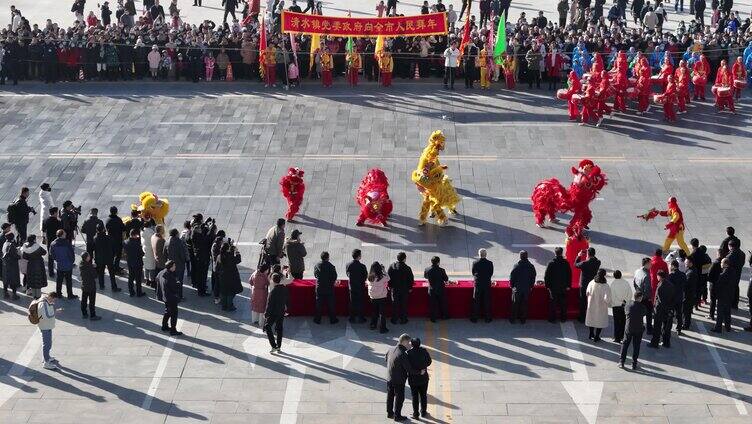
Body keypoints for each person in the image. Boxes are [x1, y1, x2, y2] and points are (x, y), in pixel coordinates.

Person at [386, 334, 422, 421]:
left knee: (390, 396)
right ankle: (397, 416)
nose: (410, 345)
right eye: (409, 343)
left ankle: (390, 413)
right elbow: (409, 369)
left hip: (389, 377)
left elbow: (386, 359)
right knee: (400, 398)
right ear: (405, 342)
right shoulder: (403, 354)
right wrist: (420, 372)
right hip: (399, 380)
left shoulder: (390, 349)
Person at [648, 270, 676, 348]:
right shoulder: (671, 285)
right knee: (666, 328)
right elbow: (673, 298)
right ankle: (666, 343)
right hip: (669, 310)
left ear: (659, 276)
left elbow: (660, 300)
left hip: (660, 310)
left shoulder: (660, 286)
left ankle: (654, 343)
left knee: (657, 327)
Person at [620, 291, 646, 370]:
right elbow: (644, 313)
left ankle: (621, 362)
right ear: (640, 298)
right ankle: (634, 364)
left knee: (625, 344)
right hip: (638, 329)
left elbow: (625, 311)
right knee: (636, 346)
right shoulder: (643, 307)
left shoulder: (628, 305)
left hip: (629, 328)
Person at [544, 247, 572, 323]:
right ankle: (563, 318)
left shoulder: (551, 263)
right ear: (562, 253)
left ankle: (552, 319)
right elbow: (569, 274)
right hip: (563, 287)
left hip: (553, 288)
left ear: (555, 253)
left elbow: (546, 276)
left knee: (553, 304)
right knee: (563, 304)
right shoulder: (566, 263)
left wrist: (547, 286)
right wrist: (568, 286)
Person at [407, 338, 432, 419]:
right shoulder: (424, 351)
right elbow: (429, 361)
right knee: (423, 395)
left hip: (413, 379)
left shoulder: (409, 353)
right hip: (423, 378)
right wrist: (423, 367)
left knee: (415, 397)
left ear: (412, 344)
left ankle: (415, 414)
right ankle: (423, 412)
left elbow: (408, 366)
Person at [510, 250, 536, 324]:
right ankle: (523, 320)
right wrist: (531, 286)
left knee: (515, 304)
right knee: (524, 304)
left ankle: (513, 319)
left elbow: (512, 277)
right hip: (526, 288)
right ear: (527, 256)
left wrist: (512, 286)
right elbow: (533, 277)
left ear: (520, 257)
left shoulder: (516, 266)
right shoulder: (531, 266)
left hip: (517, 288)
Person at [388, 252, 415, 325]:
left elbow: (389, 278)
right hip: (404, 290)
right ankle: (403, 319)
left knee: (395, 304)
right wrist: (410, 288)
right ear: (404, 259)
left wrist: (390, 286)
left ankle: (394, 319)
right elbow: (411, 279)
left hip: (395, 289)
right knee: (403, 304)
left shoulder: (392, 266)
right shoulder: (407, 268)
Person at [265, 272, 289, 353]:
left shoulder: (273, 291)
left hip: (273, 313)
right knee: (279, 328)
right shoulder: (284, 289)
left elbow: (270, 304)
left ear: (273, 281)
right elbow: (287, 300)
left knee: (268, 327)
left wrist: (266, 314)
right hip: (281, 311)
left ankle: (274, 346)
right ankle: (279, 346)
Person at [585, 269, 612, 342]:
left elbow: (587, 292)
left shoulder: (592, 282)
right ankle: (597, 336)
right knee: (600, 321)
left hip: (592, 305)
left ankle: (591, 334)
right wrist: (609, 303)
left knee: (591, 320)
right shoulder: (605, 286)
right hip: (601, 306)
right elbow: (607, 298)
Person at [575, 247, 601, 322]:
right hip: (593, 284)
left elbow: (575, 264)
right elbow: (595, 260)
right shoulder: (598, 262)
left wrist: (579, 256)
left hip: (584, 285)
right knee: (592, 301)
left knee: (583, 301)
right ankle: (592, 317)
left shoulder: (584, 263)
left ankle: (582, 318)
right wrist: (589, 256)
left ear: (588, 255)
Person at [313, 251, 339, 324]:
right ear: (328, 258)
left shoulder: (317, 265)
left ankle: (317, 319)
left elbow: (315, 275)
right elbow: (334, 277)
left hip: (320, 288)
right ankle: (333, 319)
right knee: (331, 305)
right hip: (329, 288)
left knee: (319, 305)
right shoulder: (331, 266)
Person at [216, 241, 243, 311]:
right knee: (231, 292)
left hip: (222, 277)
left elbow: (217, 268)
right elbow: (238, 260)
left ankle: (224, 306)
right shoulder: (230, 256)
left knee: (223, 291)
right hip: (232, 276)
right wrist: (237, 252)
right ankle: (230, 305)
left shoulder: (219, 256)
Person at [36, 292, 60, 370]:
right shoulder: (43, 304)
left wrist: (52, 305)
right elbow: (47, 315)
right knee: (46, 344)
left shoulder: (46, 301)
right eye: (54, 299)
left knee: (49, 343)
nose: (54, 301)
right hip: (45, 326)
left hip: (47, 326)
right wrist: (55, 312)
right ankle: (46, 362)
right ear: (50, 297)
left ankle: (47, 357)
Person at [158, 260, 182, 336]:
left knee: (167, 311)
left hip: (165, 297)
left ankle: (164, 326)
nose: (175, 267)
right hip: (171, 298)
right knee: (174, 314)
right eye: (174, 266)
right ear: (171, 267)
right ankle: (173, 330)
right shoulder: (170, 277)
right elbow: (174, 288)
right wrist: (178, 284)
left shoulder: (162, 272)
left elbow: (157, 278)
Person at [49, 230, 75, 299]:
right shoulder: (67, 243)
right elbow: (71, 254)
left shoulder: (53, 243)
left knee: (59, 280)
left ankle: (58, 293)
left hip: (59, 265)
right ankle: (70, 294)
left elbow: (51, 254)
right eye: (64, 233)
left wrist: (57, 259)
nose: (66, 234)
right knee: (68, 280)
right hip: (68, 265)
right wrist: (72, 261)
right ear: (62, 235)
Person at [94, 224, 120, 292]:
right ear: (103, 229)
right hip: (109, 258)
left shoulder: (95, 238)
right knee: (111, 273)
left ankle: (101, 285)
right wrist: (113, 255)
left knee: (101, 273)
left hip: (100, 258)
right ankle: (114, 287)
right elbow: (114, 248)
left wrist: (95, 259)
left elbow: (95, 250)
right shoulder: (109, 238)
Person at [471, 249, 494, 323]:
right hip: (486, 284)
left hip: (478, 284)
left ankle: (475, 318)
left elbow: (473, 272)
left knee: (476, 301)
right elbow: (491, 273)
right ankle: (487, 318)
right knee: (486, 301)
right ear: (486, 254)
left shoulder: (475, 263)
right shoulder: (490, 263)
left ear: (479, 254)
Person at [164, 228, 189, 296]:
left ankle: (172, 294)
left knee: (171, 281)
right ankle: (179, 295)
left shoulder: (167, 242)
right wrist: (184, 261)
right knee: (179, 281)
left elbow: (164, 254)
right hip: (179, 265)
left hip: (170, 265)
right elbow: (182, 255)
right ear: (176, 234)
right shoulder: (179, 242)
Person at [711, 258, 733, 333]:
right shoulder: (732, 271)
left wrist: (716, 294)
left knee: (720, 313)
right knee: (727, 312)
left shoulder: (723, 274)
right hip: (729, 295)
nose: (721, 264)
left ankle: (718, 328)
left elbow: (718, 286)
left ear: (725, 264)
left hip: (722, 296)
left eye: (722, 262)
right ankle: (728, 327)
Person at [346, 249, 368, 323]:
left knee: (352, 303)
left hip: (352, 287)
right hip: (360, 287)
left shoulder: (348, 264)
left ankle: (352, 318)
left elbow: (347, 274)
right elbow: (365, 277)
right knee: (360, 303)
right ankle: (361, 318)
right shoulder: (362, 266)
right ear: (358, 256)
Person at [425, 256, 449, 322]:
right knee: (442, 303)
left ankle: (433, 318)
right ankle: (444, 316)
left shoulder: (427, 269)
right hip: (441, 289)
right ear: (438, 262)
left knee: (432, 304)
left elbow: (425, 276)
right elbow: (446, 279)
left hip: (432, 289)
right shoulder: (442, 270)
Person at [368, 261, 390, 333]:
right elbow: (388, 278)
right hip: (381, 297)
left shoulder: (370, 277)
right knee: (382, 313)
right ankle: (382, 328)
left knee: (374, 312)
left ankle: (373, 325)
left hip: (373, 297)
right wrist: (384, 270)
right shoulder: (382, 277)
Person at [667, 260, 687, 335]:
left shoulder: (670, 276)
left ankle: (669, 328)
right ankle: (679, 329)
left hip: (672, 298)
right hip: (679, 297)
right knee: (679, 313)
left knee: (670, 314)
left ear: (672, 266)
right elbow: (685, 285)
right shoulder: (683, 275)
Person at [79, 252, 101, 320]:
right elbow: (95, 276)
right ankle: (92, 315)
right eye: (88, 256)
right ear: (87, 258)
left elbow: (87, 267)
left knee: (84, 300)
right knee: (92, 302)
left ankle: (84, 313)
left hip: (84, 285)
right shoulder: (90, 266)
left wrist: (92, 265)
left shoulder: (81, 264)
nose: (90, 256)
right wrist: (94, 267)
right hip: (91, 286)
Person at [42, 207, 63, 278]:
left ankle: (51, 273)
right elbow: (61, 230)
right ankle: (60, 271)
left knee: (50, 257)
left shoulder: (45, 220)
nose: (57, 213)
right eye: (57, 212)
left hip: (49, 241)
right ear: (54, 213)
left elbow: (44, 230)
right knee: (59, 256)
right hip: (57, 241)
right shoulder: (58, 222)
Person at [124, 229, 145, 297]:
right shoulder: (137, 243)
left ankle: (131, 292)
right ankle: (139, 292)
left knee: (131, 277)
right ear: (134, 235)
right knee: (138, 279)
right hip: (137, 263)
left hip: (130, 262)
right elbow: (141, 254)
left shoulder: (125, 242)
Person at [725, 239, 745, 310]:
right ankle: (735, 304)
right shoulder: (742, 253)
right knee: (736, 288)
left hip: (730, 275)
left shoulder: (729, 256)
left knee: (730, 290)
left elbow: (726, 266)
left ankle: (730, 303)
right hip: (738, 273)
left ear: (730, 246)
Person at [105, 206, 125, 274]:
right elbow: (123, 228)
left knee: (112, 255)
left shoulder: (108, 220)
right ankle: (116, 267)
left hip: (111, 240)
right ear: (116, 212)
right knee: (118, 255)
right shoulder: (118, 219)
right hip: (118, 240)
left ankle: (111, 267)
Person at [2, 233, 21, 299]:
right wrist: (19, 256)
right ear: (12, 238)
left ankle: (5, 293)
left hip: (5, 264)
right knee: (13, 280)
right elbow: (15, 256)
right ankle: (14, 295)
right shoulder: (11, 245)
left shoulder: (5, 243)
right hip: (12, 265)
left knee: (6, 279)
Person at [682, 257, 699, 330]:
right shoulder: (691, 270)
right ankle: (686, 323)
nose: (685, 264)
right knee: (687, 311)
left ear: (691, 263)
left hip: (688, 295)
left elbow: (687, 285)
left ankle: (686, 325)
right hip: (690, 295)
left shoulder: (691, 273)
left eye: (686, 263)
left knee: (686, 311)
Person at [141, 220, 157, 287]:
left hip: (144, 249)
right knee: (152, 267)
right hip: (151, 250)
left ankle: (147, 280)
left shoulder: (142, 232)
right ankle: (152, 281)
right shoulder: (151, 232)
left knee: (146, 266)